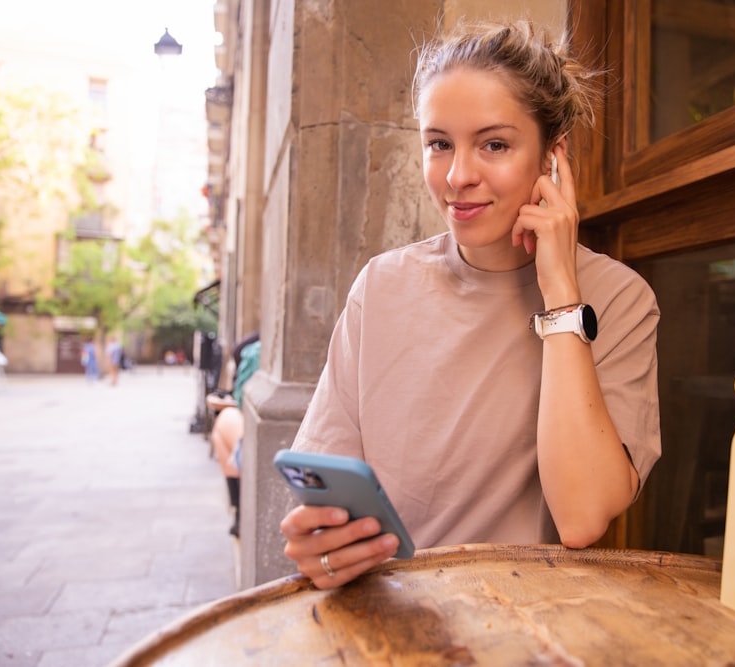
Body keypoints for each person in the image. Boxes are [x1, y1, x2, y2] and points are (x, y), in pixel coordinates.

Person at [280, 20, 661, 589]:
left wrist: (560, 294)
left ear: (552, 160)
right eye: (439, 144)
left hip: (526, 627)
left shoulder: (620, 299)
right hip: (388, 614)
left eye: (495, 145)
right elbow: (322, 490)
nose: (458, 177)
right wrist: (319, 543)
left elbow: (583, 517)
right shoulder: (381, 286)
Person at [209, 333, 261, 537]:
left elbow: (242, 398)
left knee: (223, 422)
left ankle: (240, 512)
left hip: (264, 451)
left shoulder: (254, 350)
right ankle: (240, 513)